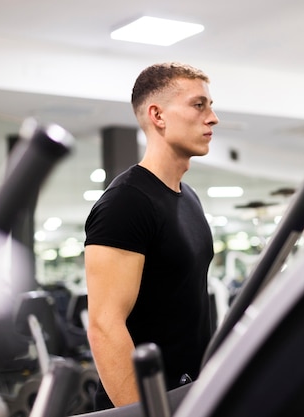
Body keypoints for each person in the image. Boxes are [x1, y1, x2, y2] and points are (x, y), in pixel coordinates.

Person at [84, 62, 219, 410]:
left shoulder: (188, 198)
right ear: (157, 115)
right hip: (146, 405)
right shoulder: (126, 202)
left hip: (187, 396)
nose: (212, 118)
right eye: (198, 104)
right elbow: (104, 326)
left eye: (211, 105)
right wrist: (145, 410)